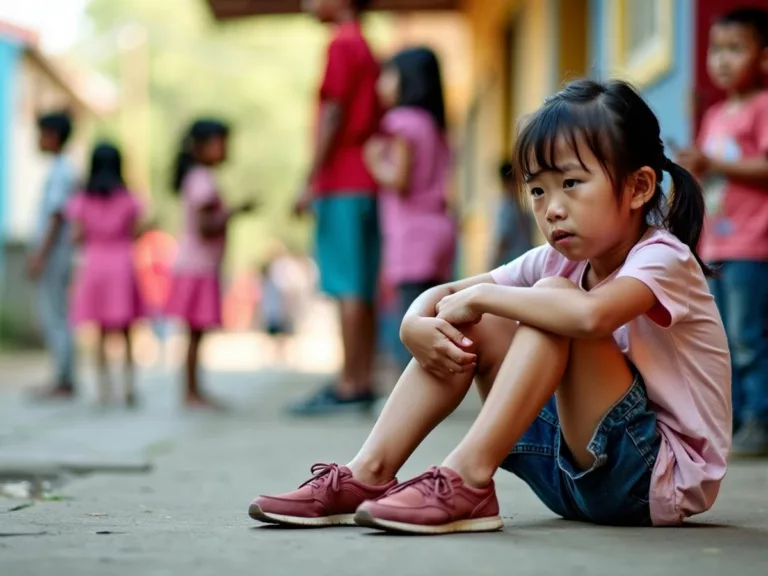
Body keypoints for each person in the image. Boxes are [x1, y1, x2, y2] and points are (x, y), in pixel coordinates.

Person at [248, 79, 731, 534]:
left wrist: (476, 298)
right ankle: (367, 473)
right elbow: (447, 295)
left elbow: (591, 317)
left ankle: (468, 478)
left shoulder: (664, 256)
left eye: (572, 183)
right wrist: (416, 321)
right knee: (490, 316)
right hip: (568, 471)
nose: (551, 208)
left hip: (648, 477)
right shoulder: (557, 258)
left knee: (554, 302)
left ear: (638, 187)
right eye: (538, 190)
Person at [677, 8, 768, 456]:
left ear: (765, 58)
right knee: (723, 337)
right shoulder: (714, 114)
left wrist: (714, 163)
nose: (723, 59)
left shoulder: (763, 106)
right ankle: (731, 419)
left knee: (749, 336)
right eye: (717, 50)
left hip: (754, 243)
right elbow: (712, 175)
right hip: (718, 243)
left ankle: (759, 420)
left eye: (736, 49)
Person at [288, 0, 382, 415]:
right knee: (361, 285)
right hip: (366, 181)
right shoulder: (365, 44)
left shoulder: (341, 43)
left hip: (341, 180)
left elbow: (333, 111)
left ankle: (349, 383)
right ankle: (360, 378)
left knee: (346, 285)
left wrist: (309, 178)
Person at [363, 46, 457, 373]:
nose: (381, 84)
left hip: (412, 232)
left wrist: (374, 162)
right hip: (440, 227)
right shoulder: (434, 123)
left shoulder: (399, 122)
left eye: (388, 75)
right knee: (434, 315)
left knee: (411, 321)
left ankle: (413, 394)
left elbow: (399, 179)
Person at [165, 119, 254, 409]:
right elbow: (206, 226)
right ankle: (191, 391)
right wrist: (233, 212)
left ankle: (193, 389)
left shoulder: (197, 178)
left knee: (195, 334)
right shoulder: (202, 179)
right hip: (197, 266)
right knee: (195, 333)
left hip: (197, 265)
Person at [67, 142, 146, 406]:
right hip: (122, 263)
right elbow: (135, 232)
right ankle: (129, 386)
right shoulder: (128, 198)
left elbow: (77, 236)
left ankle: (103, 390)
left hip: (95, 265)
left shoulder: (82, 199)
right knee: (125, 330)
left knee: (100, 331)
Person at [28, 111, 78, 399]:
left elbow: (57, 217)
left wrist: (40, 255)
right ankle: (62, 376)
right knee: (56, 314)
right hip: (56, 253)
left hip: (55, 254)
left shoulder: (62, 171)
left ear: (53, 136)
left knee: (55, 315)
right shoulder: (60, 170)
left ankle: (63, 379)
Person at [492, 160, 533, 268]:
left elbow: (503, 240)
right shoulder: (524, 207)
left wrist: (493, 264)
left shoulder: (507, 208)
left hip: (511, 264)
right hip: (526, 262)